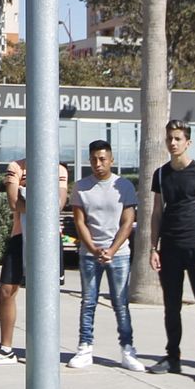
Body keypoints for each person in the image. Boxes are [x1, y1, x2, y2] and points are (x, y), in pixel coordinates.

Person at [148, 119, 195, 382]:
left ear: (188, 142)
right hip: (169, 249)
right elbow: (157, 213)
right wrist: (153, 247)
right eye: (170, 138)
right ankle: (173, 357)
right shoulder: (160, 174)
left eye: (178, 139)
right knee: (171, 306)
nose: (173, 143)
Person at [0, 158, 67, 365]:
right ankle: (6, 348)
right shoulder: (16, 167)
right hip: (20, 236)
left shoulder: (59, 169)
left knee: (45, 294)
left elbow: (59, 203)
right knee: (7, 290)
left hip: (48, 239)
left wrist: (27, 194)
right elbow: (13, 202)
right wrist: (41, 202)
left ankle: (43, 349)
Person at [68, 140, 143, 372]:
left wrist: (111, 250)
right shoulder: (81, 187)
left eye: (102, 159)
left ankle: (128, 350)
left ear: (111, 160)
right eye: (93, 159)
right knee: (88, 302)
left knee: (120, 303)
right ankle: (85, 348)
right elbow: (79, 221)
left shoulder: (124, 186)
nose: (98, 164)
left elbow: (128, 221)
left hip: (118, 254)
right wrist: (92, 248)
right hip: (89, 253)